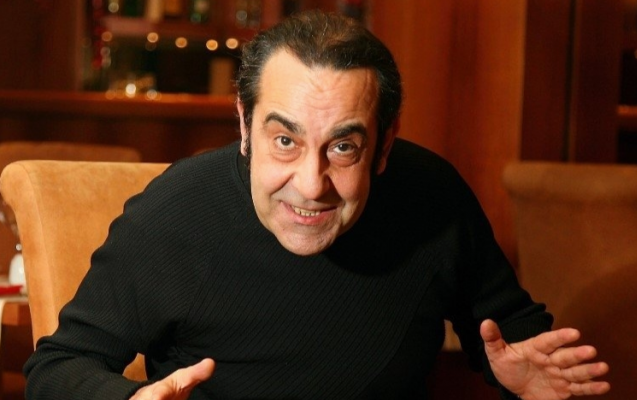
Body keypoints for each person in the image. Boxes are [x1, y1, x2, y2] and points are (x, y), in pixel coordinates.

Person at [24, 9, 609, 400]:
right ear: (244, 125)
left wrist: (523, 384)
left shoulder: (433, 196)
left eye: (343, 147)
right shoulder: (176, 214)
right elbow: (57, 369)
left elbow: (513, 340)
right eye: (285, 140)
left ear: (384, 146)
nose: (311, 184)